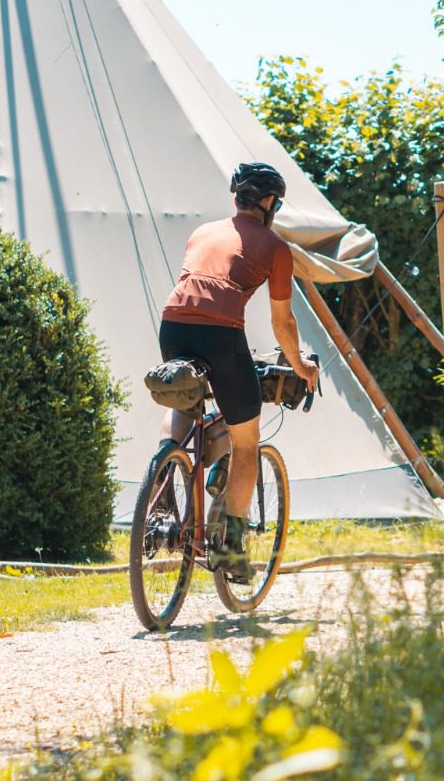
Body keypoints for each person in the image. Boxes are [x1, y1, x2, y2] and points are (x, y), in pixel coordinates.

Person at [159, 162, 321, 581]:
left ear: (237, 197)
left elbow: (201, 289)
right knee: (246, 442)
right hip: (222, 334)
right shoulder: (275, 247)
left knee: (184, 395)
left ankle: (162, 474)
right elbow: (282, 323)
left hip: (173, 325)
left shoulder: (202, 232)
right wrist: (300, 365)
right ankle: (229, 549)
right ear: (269, 203)